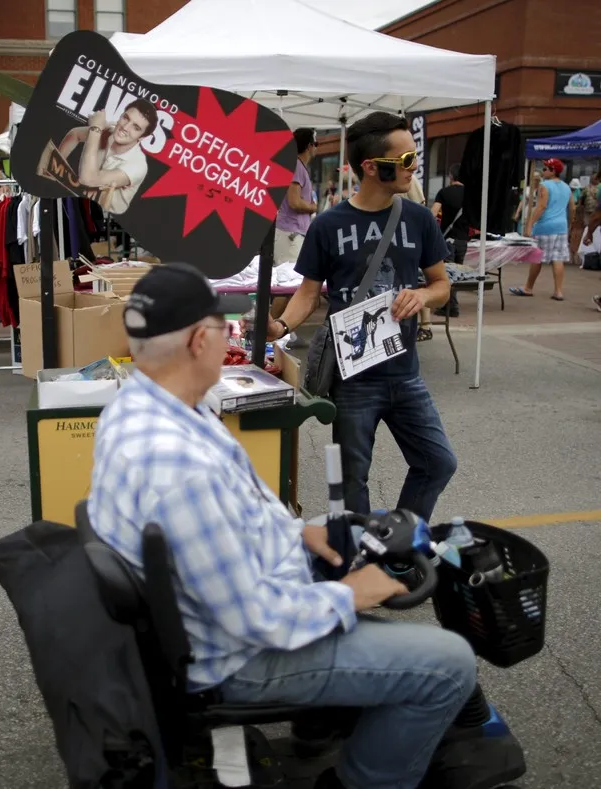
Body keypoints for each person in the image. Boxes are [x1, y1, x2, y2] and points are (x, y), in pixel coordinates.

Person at [88, 262, 476, 789]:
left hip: (206, 614)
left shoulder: (142, 404)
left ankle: (325, 722)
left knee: (340, 541)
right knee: (449, 663)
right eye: (224, 325)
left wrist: (298, 533)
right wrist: (351, 596)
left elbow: (221, 523)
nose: (234, 332)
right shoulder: (179, 467)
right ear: (201, 340)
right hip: (238, 658)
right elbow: (258, 620)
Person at [269, 111, 456, 524]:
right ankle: (359, 559)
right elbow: (307, 293)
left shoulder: (418, 218)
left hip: (405, 373)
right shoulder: (329, 225)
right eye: (405, 161)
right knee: (353, 485)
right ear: (371, 167)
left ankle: (399, 541)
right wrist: (280, 327)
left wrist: (423, 293)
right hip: (354, 378)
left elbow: (442, 285)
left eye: (414, 158)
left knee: (438, 462)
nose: (414, 167)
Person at [58, 98, 157, 215]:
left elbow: (88, 180)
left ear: (142, 137)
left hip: (106, 218)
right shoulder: (108, 132)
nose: (125, 127)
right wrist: (57, 163)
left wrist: (95, 129)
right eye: (126, 118)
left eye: (136, 128)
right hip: (78, 200)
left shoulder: (138, 166)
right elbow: (75, 134)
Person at [510, 157, 574, 301]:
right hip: (561, 226)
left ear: (553, 171)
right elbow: (572, 207)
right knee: (558, 258)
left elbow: (541, 206)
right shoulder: (566, 187)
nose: (543, 171)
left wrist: (530, 224)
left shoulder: (545, 186)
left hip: (546, 226)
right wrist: (569, 222)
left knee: (537, 258)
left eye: (545, 169)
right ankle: (558, 291)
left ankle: (528, 287)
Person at [430, 163, 470, 319]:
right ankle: (452, 304)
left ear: (451, 176)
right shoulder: (471, 194)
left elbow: (433, 214)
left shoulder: (444, 192)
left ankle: (451, 307)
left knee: (448, 274)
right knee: (458, 273)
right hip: (463, 239)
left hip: (447, 238)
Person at [274, 128, 319, 264]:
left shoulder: (297, 166)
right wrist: (313, 207)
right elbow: (294, 202)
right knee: (290, 281)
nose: (316, 148)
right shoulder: (297, 166)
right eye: (316, 144)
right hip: (290, 234)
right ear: (309, 146)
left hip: (292, 233)